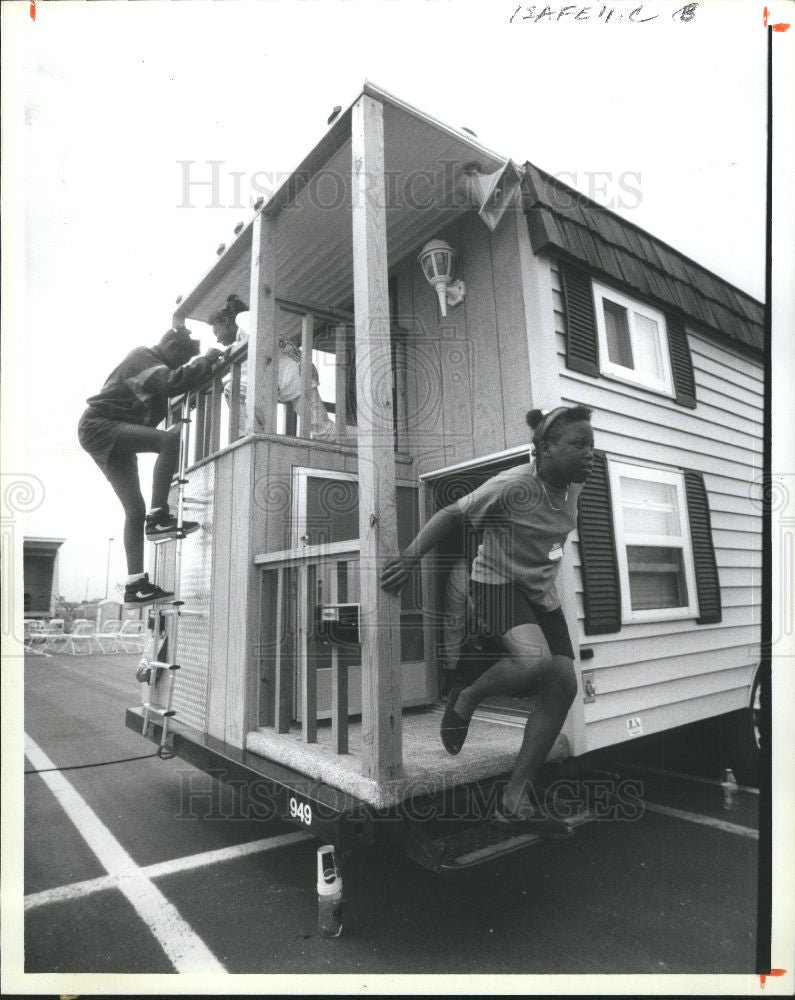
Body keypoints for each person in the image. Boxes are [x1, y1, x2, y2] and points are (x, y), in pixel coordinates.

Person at [380, 405, 594, 836]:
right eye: (579, 445)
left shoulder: (576, 484)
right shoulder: (513, 484)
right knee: (532, 661)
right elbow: (452, 514)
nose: (590, 453)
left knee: (564, 684)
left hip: (539, 592)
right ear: (546, 450)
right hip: (493, 582)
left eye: (591, 444)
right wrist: (409, 558)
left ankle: (513, 802)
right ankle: (468, 695)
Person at [78, 325, 222, 605]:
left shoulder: (154, 379)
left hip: (108, 434)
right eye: (179, 360)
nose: (179, 365)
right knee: (168, 442)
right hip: (100, 426)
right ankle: (158, 519)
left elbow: (171, 389)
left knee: (134, 509)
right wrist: (205, 361)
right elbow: (172, 382)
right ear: (170, 347)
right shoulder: (143, 356)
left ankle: (136, 586)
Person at [208, 294, 336, 440]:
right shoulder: (244, 339)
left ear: (225, 322)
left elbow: (260, 337)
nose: (217, 339)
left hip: (296, 374)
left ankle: (365, 441)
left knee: (324, 431)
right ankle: (250, 434)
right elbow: (246, 373)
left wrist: (232, 351)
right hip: (283, 376)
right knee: (232, 389)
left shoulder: (243, 318)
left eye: (217, 331)